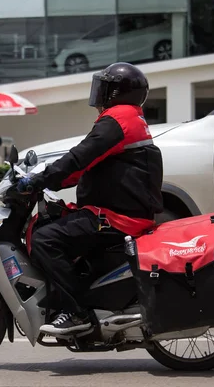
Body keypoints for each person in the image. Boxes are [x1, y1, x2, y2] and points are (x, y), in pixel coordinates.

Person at [17, 62, 164, 335]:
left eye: (105, 88)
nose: (99, 95)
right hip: (119, 212)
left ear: (117, 93)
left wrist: (37, 181)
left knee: (45, 239)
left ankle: (76, 312)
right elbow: (89, 165)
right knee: (55, 220)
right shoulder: (129, 118)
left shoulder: (118, 119)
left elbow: (79, 156)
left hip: (117, 217)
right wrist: (54, 181)